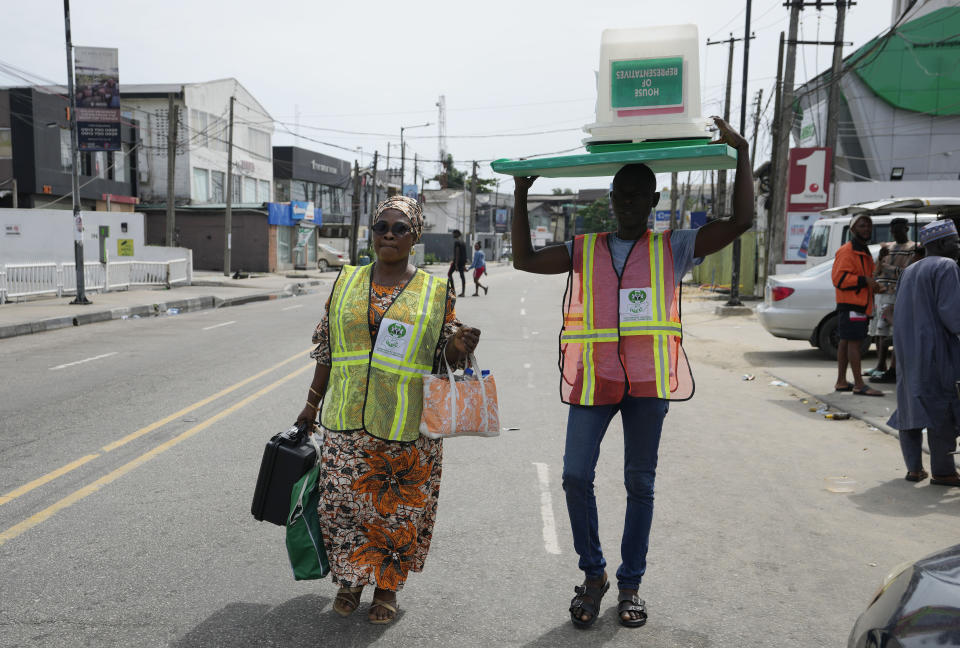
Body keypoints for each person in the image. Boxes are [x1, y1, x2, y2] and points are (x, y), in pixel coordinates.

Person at [511, 116, 753, 629]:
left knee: (639, 484)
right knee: (576, 476)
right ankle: (593, 574)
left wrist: (743, 153)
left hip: (646, 385)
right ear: (612, 198)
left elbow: (740, 223)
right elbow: (525, 259)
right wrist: (519, 193)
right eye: (621, 194)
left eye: (638, 195)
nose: (627, 203)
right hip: (594, 382)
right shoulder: (586, 247)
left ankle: (630, 584)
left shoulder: (674, 247)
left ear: (652, 200)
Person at [296, 195, 481, 624]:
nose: (390, 235)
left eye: (400, 229)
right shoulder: (346, 280)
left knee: (396, 511)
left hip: (407, 426)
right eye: (382, 227)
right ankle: (350, 580)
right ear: (371, 233)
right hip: (346, 419)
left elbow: (445, 359)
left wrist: (458, 346)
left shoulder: (436, 289)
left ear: (415, 236)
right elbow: (327, 348)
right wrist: (310, 404)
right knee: (343, 505)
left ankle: (387, 587)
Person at [888, 219, 960, 486]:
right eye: (956, 242)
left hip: (908, 352)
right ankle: (943, 471)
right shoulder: (946, 266)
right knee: (942, 409)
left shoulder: (910, 269)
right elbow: (953, 318)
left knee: (911, 406)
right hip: (937, 353)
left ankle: (914, 469)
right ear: (941, 243)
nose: (958, 247)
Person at [831, 214, 883, 396]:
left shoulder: (863, 250)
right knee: (855, 344)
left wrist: (873, 285)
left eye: (869, 225)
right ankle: (859, 384)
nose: (866, 229)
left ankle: (841, 381)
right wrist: (866, 281)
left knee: (846, 343)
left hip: (858, 304)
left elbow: (866, 277)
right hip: (852, 305)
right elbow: (839, 279)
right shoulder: (847, 251)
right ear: (853, 230)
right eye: (862, 226)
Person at [868, 218, 919, 383]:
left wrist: (886, 267)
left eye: (899, 229)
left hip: (897, 294)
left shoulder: (913, 248)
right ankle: (880, 365)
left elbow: (906, 273)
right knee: (879, 332)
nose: (895, 233)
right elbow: (875, 273)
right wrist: (880, 261)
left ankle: (891, 368)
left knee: (893, 333)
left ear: (906, 229)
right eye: (893, 230)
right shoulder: (887, 248)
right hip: (881, 294)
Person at [447, 229, 467, 297]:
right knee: (462, 276)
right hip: (462, 262)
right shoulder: (463, 242)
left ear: (457, 234)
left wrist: (455, 264)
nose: (453, 235)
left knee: (449, 274)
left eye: (454, 233)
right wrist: (464, 264)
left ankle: (453, 291)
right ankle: (463, 292)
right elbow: (465, 254)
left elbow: (457, 253)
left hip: (457, 262)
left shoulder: (457, 242)